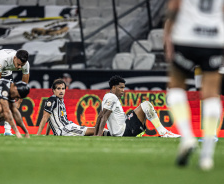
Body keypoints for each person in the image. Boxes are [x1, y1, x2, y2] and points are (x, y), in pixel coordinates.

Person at [164, 0, 224, 170]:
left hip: (186, 37)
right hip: (214, 39)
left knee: (175, 86)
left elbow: (174, 7)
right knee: (212, 93)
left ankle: (188, 137)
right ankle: (207, 156)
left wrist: (168, 34)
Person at [94, 75, 180, 139]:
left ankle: (140, 131)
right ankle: (163, 132)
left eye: (124, 88)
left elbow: (101, 115)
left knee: (135, 112)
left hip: (122, 131)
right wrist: (99, 134)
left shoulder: (107, 97)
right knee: (146, 105)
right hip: (124, 131)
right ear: (113, 87)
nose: (123, 90)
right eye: (121, 88)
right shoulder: (111, 97)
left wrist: (96, 134)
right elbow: (104, 117)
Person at [0, 49, 30, 136]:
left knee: (11, 98)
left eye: (22, 65)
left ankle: (8, 130)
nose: (19, 67)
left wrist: (20, 101)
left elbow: (24, 86)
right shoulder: (4, 59)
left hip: (7, 72)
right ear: (14, 58)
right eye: (18, 64)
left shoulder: (26, 64)